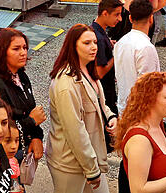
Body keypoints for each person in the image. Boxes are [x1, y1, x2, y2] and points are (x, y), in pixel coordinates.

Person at [46, 24, 116, 193]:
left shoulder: (87, 69)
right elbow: (74, 129)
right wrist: (92, 170)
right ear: (73, 46)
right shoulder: (66, 84)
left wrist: (111, 117)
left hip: (89, 157)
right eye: (86, 43)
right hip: (70, 163)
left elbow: (100, 103)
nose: (93, 47)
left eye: (94, 42)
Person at [115, 72, 166, 193]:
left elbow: (159, 174)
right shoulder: (139, 139)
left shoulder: (158, 126)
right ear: (149, 99)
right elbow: (138, 189)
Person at [0, 28, 45, 162]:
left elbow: (30, 109)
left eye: (24, 47)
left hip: (18, 150)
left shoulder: (21, 76)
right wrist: (31, 122)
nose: (23, 53)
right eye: (16, 49)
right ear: (2, 52)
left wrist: (37, 137)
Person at [115, 0, 166, 113]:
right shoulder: (146, 47)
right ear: (151, 18)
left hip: (124, 105)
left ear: (130, 18)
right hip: (141, 110)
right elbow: (148, 83)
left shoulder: (120, 43)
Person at [92, 0, 124, 116]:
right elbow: (99, 72)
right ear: (105, 13)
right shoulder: (99, 38)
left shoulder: (97, 30)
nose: (120, 19)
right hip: (104, 93)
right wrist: (116, 54)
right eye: (117, 14)